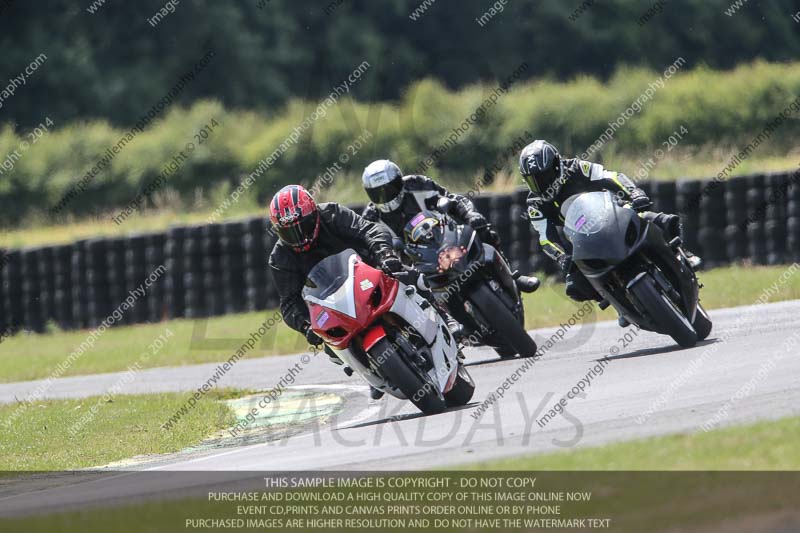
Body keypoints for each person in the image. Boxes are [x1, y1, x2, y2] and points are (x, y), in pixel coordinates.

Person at [519, 140, 701, 310]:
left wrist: (634, 193)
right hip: (582, 239)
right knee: (575, 287)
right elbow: (545, 238)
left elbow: (612, 177)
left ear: (556, 165)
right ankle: (618, 301)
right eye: (532, 180)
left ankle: (683, 253)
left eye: (543, 177)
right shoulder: (534, 204)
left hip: (614, 212)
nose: (540, 184)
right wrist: (561, 257)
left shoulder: (577, 167)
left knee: (662, 220)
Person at [268, 184, 403, 399]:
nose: (299, 236)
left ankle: (442, 318)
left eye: (304, 226)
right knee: (331, 349)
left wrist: (385, 254)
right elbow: (289, 302)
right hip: (330, 303)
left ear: (314, 214)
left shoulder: (332, 214)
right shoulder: (280, 258)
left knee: (410, 278)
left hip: (368, 274)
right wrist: (305, 326)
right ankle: (368, 369)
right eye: (289, 232)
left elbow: (369, 230)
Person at [361, 159, 501, 247]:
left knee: (483, 230)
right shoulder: (370, 218)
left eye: (389, 189)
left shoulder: (418, 185)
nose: (385, 196)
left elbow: (453, 199)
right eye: (377, 193)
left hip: (446, 241)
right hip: (410, 267)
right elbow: (366, 249)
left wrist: (470, 214)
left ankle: (507, 273)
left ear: (399, 182)